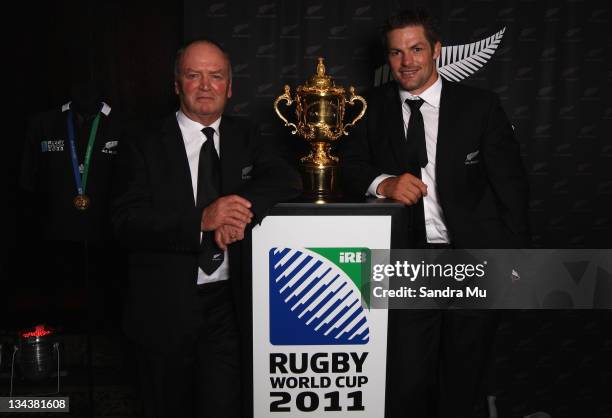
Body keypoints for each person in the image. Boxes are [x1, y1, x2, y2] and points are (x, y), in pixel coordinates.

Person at [338, 9, 530, 418]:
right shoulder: (366, 108)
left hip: (472, 262)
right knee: (406, 384)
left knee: (463, 385)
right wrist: (384, 183)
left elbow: (511, 190)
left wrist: (515, 263)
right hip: (404, 266)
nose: (407, 62)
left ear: (437, 51)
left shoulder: (480, 106)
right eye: (396, 53)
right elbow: (347, 166)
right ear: (387, 58)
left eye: (416, 49)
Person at [111, 39, 301, 418]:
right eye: (193, 75)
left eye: (216, 77)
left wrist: (236, 211)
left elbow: (283, 178)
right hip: (163, 309)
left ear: (229, 86)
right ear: (176, 84)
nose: (205, 85)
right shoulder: (140, 141)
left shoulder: (247, 134)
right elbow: (125, 221)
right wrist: (202, 220)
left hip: (228, 307)